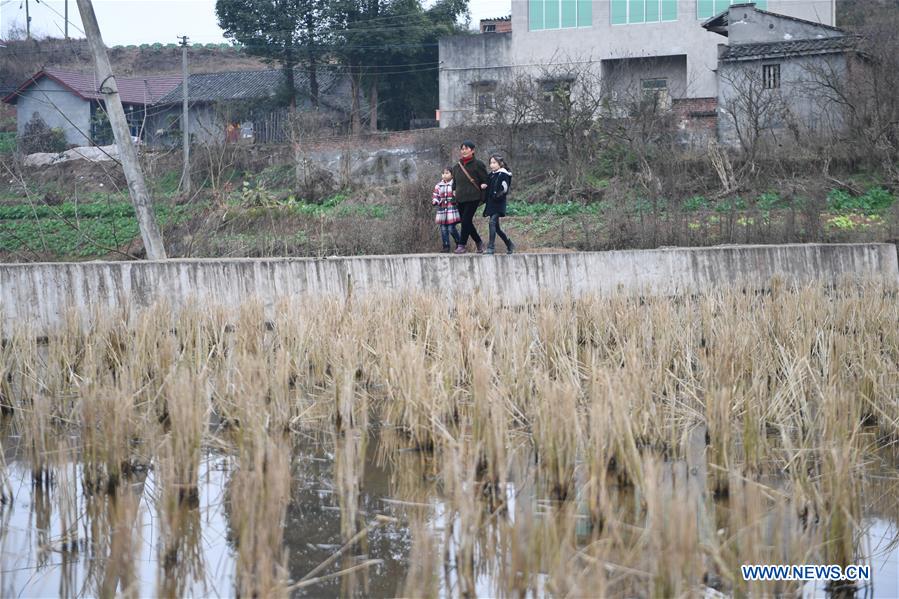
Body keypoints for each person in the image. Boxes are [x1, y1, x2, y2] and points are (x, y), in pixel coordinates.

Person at [451, 140, 488, 254]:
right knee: (465, 221)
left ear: (473, 150)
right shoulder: (457, 166)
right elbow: (455, 182)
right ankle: (479, 242)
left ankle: (462, 245)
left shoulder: (478, 164)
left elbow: (485, 179)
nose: (464, 151)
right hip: (460, 198)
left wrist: (484, 185)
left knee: (466, 220)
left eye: (466, 149)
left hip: (473, 197)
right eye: (462, 149)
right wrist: (453, 190)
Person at [483, 154, 515, 255]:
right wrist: (484, 186)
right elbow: (488, 186)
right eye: (490, 163)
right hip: (491, 203)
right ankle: (509, 244)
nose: (492, 165)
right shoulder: (491, 175)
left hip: (499, 203)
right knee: (496, 228)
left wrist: (497, 195)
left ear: (500, 163)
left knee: (492, 223)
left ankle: (491, 247)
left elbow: (504, 188)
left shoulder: (503, 174)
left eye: (494, 163)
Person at [432, 166, 462, 253]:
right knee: (443, 228)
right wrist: (435, 201)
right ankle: (446, 246)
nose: (444, 175)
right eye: (443, 173)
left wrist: (456, 198)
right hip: (442, 209)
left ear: (452, 175)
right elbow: (436, 195)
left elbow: (458, 194)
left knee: (451, 228)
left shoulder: (454, 184)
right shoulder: (438, 185)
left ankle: (459, 242)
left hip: (451, 208)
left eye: (447, 173)